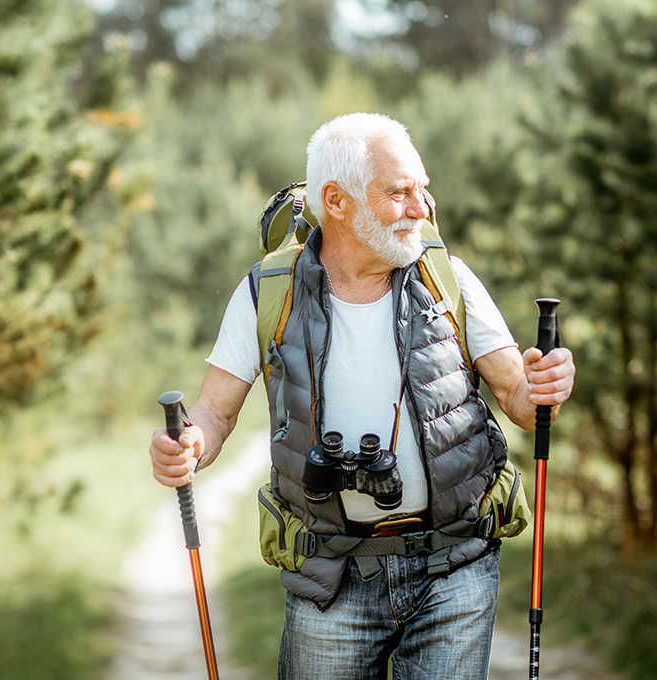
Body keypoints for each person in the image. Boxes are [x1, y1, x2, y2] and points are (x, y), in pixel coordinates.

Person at [148, 112, 576, 679]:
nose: (420, 209)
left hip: (455, 566)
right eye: (399, 193)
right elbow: (213, 412)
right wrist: (188, 446)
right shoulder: (267, 292)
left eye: (421, 189)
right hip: (330, 573)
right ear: (338, 201)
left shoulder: (447, 279)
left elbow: (520, 401)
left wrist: (545, 385)